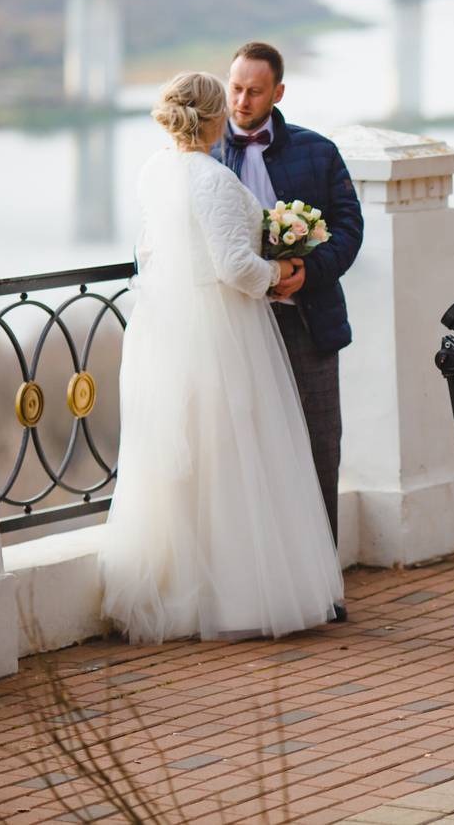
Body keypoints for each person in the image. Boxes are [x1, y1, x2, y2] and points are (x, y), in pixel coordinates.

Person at [97, 72, 344, 643]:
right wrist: (280, 273)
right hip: (222, 329)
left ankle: (183, 592)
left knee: (185, 460)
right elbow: (235, 267)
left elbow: (149, 252)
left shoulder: (154, 170)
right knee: (236, 455)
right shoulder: (212, 179)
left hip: (166, 325)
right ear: (211, 119)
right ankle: (237, 597)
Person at [213, 42, 363, 580]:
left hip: (308, 326)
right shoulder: (205, 157)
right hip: (238, 331)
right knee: (247, 454)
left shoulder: (318, 152)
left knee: (321, 451)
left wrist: (308, 271)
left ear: (278, 93)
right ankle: (262, 579)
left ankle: (323, 580)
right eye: (235, 88)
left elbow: (349, 228)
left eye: (254, 91)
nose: (241, 100)